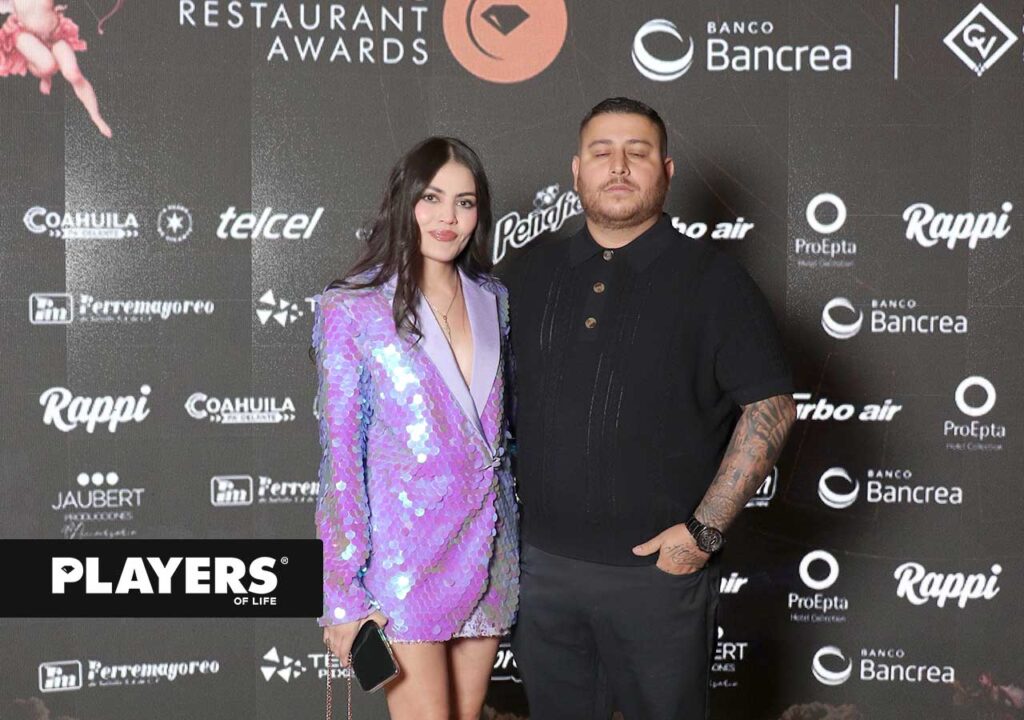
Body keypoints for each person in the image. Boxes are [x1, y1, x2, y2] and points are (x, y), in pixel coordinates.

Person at [503, 97, 797, 720]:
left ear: (666, 171)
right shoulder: (527, 272)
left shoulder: (715, 281)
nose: (618, 166)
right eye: (601, 153)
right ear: (576, 171)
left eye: (637, 153)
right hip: (542, 575)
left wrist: (702, 534)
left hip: (659, 579)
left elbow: (770, 407)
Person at [314, 136, 518, 720]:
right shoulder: (352, 308)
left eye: (465, 202)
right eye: (431, 198)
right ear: (404, 201)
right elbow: (340, 457)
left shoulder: (494, 299)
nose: (447, 217)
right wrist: (342, 591)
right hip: (404, 561)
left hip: (489, 549)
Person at [0, 0, 115, 137]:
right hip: (24, 34)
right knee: (48, 65)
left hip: (55, 32)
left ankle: (96, 116)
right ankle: (40, 70)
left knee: (73, 74)